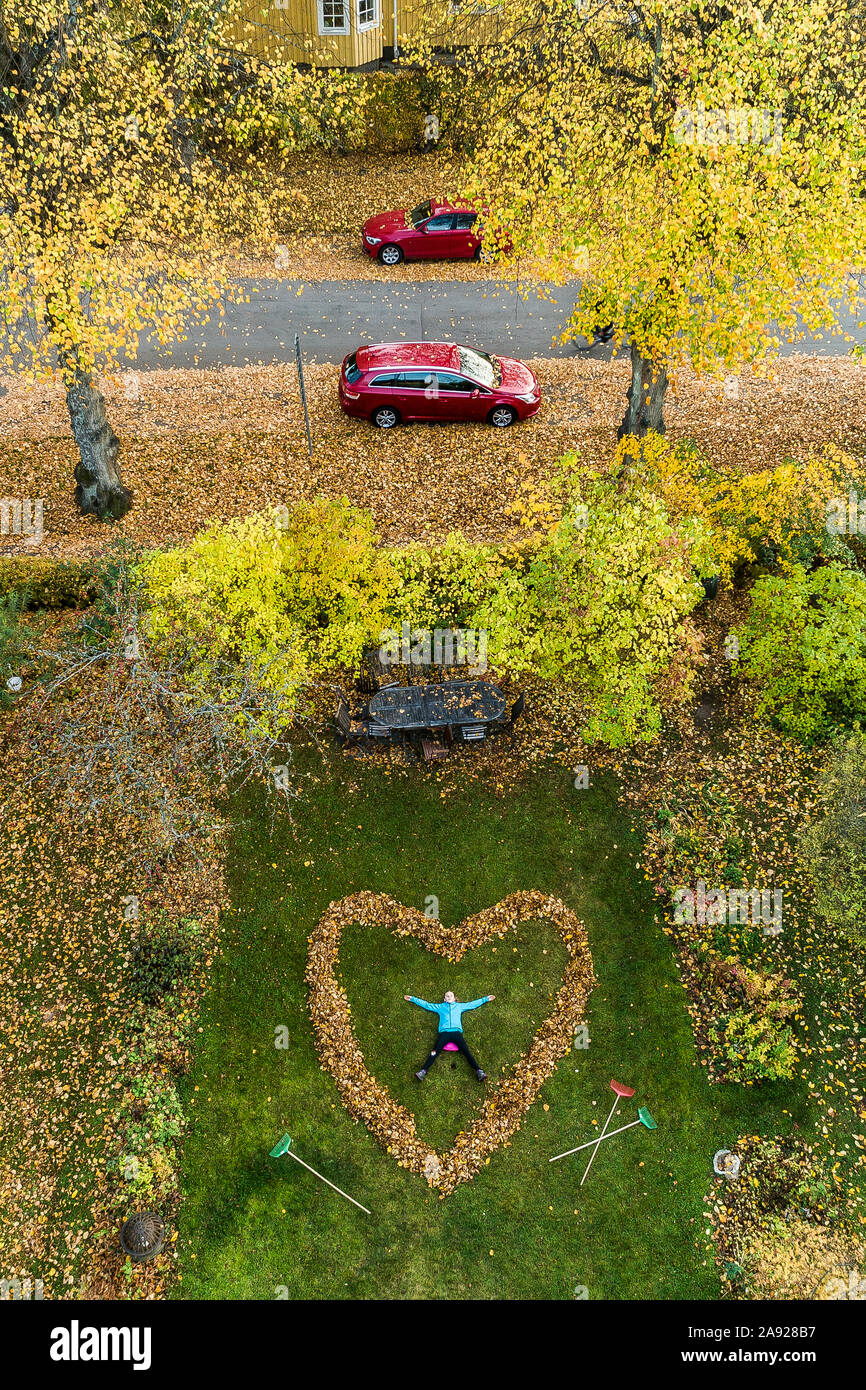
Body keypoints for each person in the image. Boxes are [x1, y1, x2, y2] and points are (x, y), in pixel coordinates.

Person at [404, 989, 494, 1082]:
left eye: (451, 995)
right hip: (444, 1034)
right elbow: (427, 1005)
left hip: (457, 1033)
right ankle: (422, 1071)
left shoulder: (459, 1006)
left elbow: (472, 1004)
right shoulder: (440, 1007)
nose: (449, 997)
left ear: (454, 998)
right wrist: (412, 999)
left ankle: (479, 1071)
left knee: (467, 1052)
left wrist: (485, 999)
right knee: (434, 1052)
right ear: (444, 999)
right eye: (447, 996)